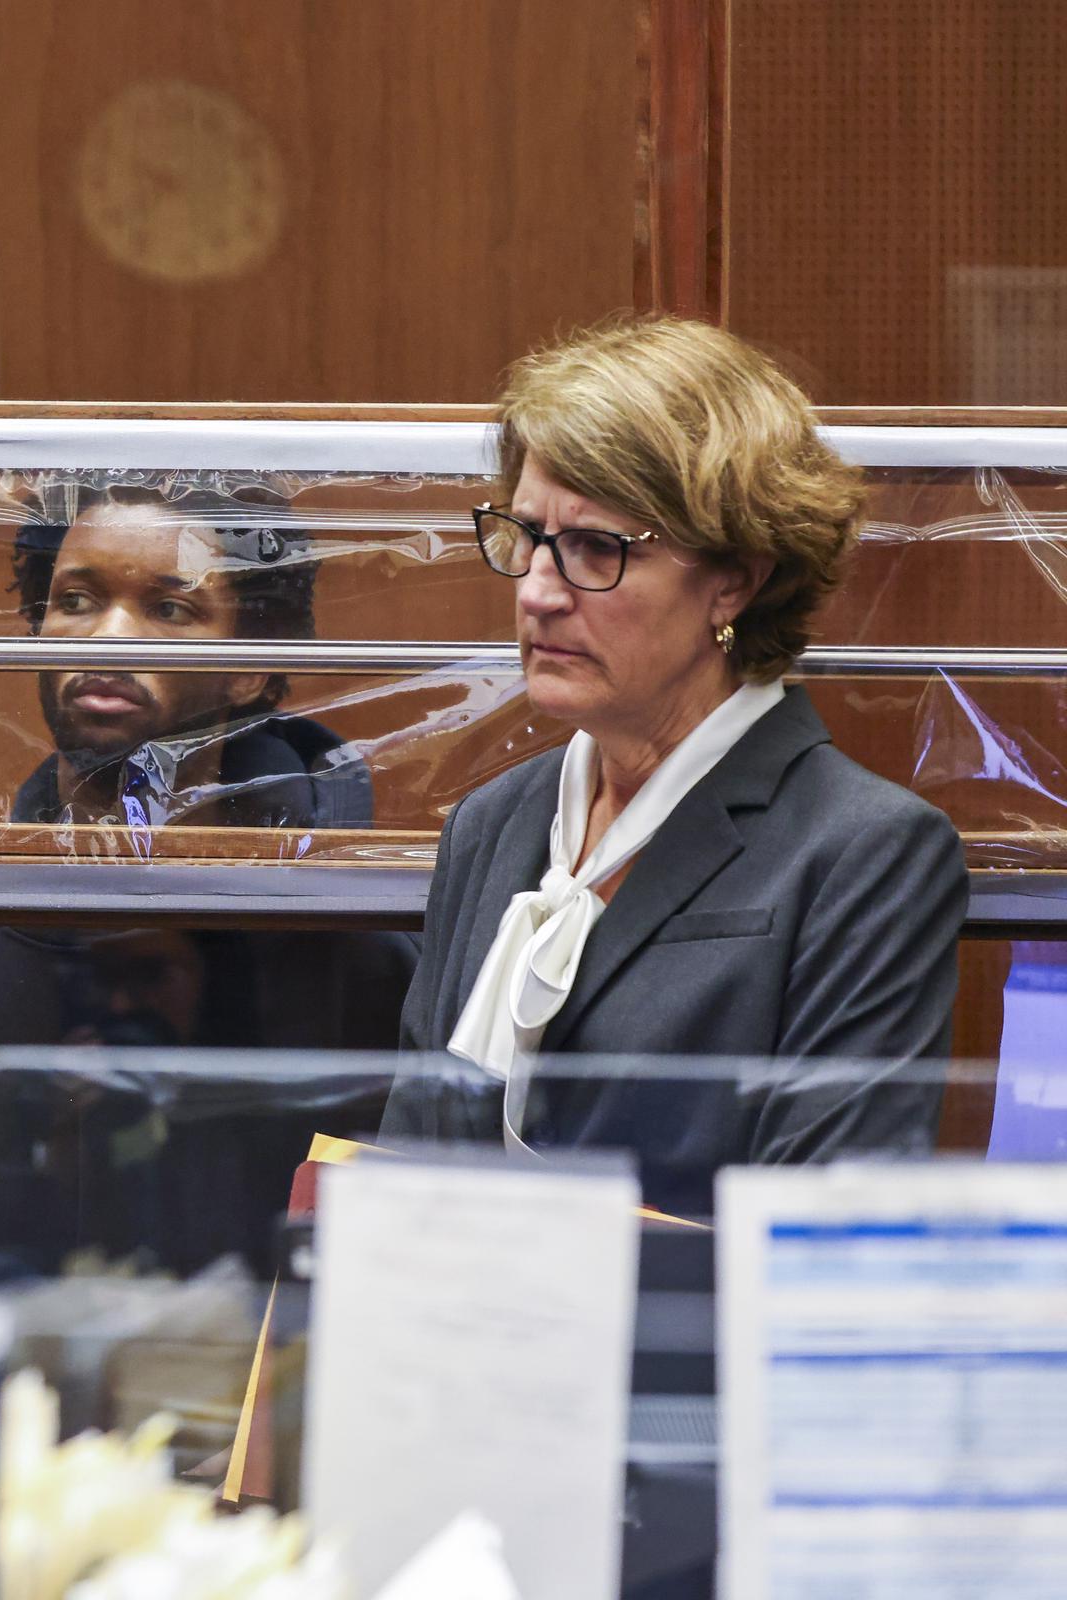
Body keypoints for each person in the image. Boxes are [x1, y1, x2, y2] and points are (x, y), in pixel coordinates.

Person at [0, 479, 417, 1330]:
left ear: (252, 665)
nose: (107, 638)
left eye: (169, 609)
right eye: (75, 600)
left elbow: (416, 1269)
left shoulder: (361, 943)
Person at [383, 317, 968, 1170]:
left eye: (594, 549)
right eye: (527, 536)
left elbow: (818, 1219)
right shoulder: (492, 823)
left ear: (735, 578)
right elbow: (408, 1154)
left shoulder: (863, 852)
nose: (539, 593)